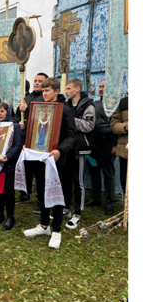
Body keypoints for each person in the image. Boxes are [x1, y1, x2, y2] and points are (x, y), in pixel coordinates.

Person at [22, 77, 76, 249]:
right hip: (39, 156)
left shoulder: (64, 110)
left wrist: (60, 150)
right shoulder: (39, 107)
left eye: (47, 91)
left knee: (56, 194)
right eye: (43, 91)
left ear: (56, 91)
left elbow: (71, 136)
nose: (44, 93)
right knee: (41, 190)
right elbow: (34, 129)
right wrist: (28, 140)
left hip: (56, 159)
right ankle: (44, 225)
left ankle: (57, 230)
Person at [62, 78, 96, 229]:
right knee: (66, 180)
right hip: (67, 148)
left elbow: (89, 125)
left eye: (69, 89)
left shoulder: (88, 105)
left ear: (77, 89)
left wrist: (69, 120)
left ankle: (77, 213)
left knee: (78, 181)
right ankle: (66, 209)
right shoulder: (66, 105)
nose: (66, 91)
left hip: (80, 148)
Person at [0, 103, 23, 230]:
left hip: (7, 164)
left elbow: (18, 145)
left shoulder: (15, 126)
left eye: (2, 111)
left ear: (7, 111)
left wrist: (9, 156)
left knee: (7, 191)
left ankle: (10, 216)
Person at [15, 73, 47, 208]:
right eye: (35, 81)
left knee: (39, 170)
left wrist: (27, 110)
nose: (37, 83)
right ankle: (25, 193)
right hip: (25, 137)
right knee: (26, 167)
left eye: (40, 81)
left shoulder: (45, 98)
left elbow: (42, 115)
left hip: (39, 139)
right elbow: (18, 116)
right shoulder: (26, 98)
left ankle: (41, 199)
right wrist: (19, 123)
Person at [87, 80, 118, 214]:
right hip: (94, 146)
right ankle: (96, 198)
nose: (100, 89)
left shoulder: (116, 106)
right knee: (94, 172)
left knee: (108, 175)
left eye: (104, 87)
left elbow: (117, 125)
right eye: (100, 86)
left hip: (108, 146)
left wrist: (115, 144)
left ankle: (109, 202)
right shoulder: (94, 105)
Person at [110, 94, 129, 198]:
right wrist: (124, 127)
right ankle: (126, 210)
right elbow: (114, 124)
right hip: (125, 151)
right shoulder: (123, 102)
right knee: (125, 181)